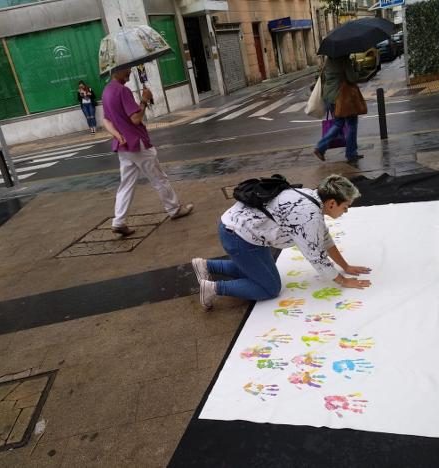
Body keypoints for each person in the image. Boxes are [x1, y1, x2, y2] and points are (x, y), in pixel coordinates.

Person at [192, 174, 371, 310]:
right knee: (269, 288)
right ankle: (213, 288)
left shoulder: (311, 197)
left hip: (243, 230)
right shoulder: (309, 216)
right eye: (345, 207)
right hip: (238, 236)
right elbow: (317, 257)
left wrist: (346, 267)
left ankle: (206, 266)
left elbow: (325, 239)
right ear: (332, 203)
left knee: (259, 271)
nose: (346, 212)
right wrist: (343, 281)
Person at [102, 67, 193, 236]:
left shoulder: (107, 91)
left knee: (126, 185)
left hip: (123, 146)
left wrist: (117, 135)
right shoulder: (123, 90)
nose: (129, 72)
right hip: (138, 144)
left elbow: (106, 120)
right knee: (159, 178)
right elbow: (136, 119)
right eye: (127, 69)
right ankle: (174, 209)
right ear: (117, 70)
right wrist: (144, 100)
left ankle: (119, 221)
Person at [314, 56, 364, 163]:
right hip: (341, 97)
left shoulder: (328, 61)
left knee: (338, 123)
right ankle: (351, 153)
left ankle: (321, 147)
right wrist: (356, 68)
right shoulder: (344, 60)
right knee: (351, 123)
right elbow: (352, 78)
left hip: (329, 97)